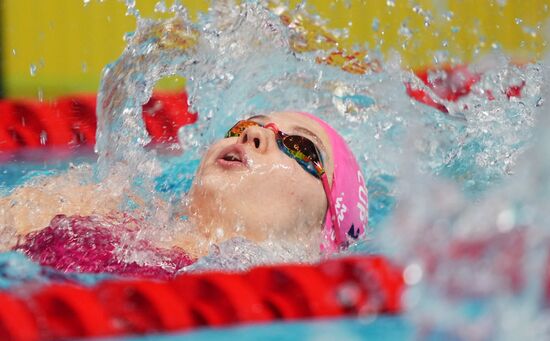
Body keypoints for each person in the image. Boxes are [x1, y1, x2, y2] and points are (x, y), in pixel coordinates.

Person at [0, 111, 368, 276]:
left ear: (320, 232)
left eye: (302, 147)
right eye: (245, 124)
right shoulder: (89, 212)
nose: (253, 135)